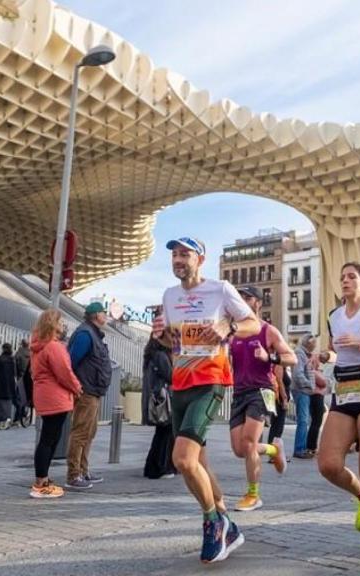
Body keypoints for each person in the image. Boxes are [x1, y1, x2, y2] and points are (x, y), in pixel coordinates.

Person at [152, 237, 259, 564]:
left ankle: (213, 522)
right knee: (199, 464)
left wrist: (227, 328)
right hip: (180, 383)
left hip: (210, 380)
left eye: (184, 254)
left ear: (200, 258)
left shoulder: (221, 289)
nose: (178, 260)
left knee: (183, 459)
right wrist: (160, 333)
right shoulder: (170, 296)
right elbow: (170, 337)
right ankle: (228, 522)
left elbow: (252, 323)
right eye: (174, 255)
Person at [315, 262, 360, 560]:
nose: (345, 281)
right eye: (342, 276)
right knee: (328, 464)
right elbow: (334, 350)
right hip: (343, 388)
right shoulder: (334, 315)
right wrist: (324, 355)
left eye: (351, 277)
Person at [228, 286, 295, 511]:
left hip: (261, 391)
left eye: (247, 297)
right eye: (240, 298)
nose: (243, 301)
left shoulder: (268, 331)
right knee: (239, 449)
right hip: (239, 393)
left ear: (258, 302)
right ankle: (274, 450)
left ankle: (253, 495)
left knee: (248, 443)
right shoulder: (233, 332)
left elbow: (291, 358)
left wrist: (270, 357)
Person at [29, 309, 82, 498]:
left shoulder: (38, 345)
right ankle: (40, 483)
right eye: (60, 322)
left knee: (48, 438)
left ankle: (42, 479)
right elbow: (64, 373)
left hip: (45, 396)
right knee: (49, 439)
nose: (62, 325)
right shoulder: (53, 347)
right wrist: (77, 387)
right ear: (53, 324)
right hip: (56, 397)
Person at [65, 301, 112, 490]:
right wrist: (77, 385)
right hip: (86, 392)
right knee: (80, 433)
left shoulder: (93, 334)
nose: (106, 316)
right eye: (103, 313)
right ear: (95, 315)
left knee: (89, 433)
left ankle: (83, 471)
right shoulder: (85, 334)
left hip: (94, 391)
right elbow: (71, 361)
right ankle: (73, 475)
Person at [143, 335, 176, 479]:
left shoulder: (152, 354)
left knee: (162, 433)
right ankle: (160, 467)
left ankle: (155, 467)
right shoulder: (161, 356)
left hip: (158, 399)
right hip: (164, 400)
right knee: (165, 433)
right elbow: (171, 376)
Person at [291, 335, 320, 460]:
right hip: (302, 390)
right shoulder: (300, 353)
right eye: (313, 344)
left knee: (304, 420)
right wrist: (309, 385)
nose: (314, 346)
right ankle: (299, 449)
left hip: (304, 391)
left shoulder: (304, 354)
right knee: (303, 420)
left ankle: (301, 448)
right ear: (308, 343)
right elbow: (298, 374)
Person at [0, 343, 16, 429]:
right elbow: (14, 373)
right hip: (9, 386)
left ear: (3, 349)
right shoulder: (13, 360)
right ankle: (6, 421)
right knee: (7, 404)